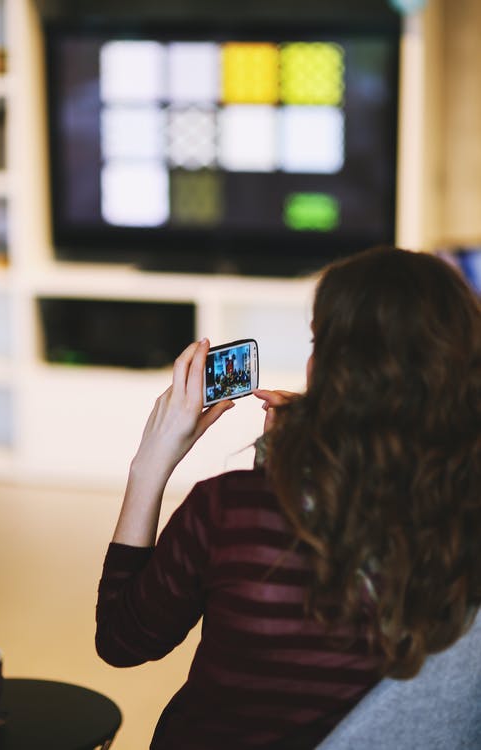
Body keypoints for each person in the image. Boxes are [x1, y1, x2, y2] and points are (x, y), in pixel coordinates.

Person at [95, 246, 481, 750]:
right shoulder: (464, 521)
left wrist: (151, 462)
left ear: (333, 368)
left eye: (318, 340)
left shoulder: (229, 511)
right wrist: (309, 457)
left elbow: (121, 641)